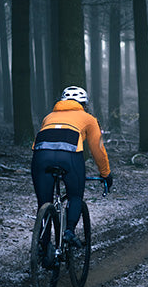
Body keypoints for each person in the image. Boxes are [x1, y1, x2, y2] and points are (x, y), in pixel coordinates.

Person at [31, 86, 113, 245]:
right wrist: (105, 174)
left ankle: (43, 246)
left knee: (44, 203)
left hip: (41, 156)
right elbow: (98, 149)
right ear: (84, 103)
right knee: (75, 195)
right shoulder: (89, 118)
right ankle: (69, 231)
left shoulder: (48, 117)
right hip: (68, 157)